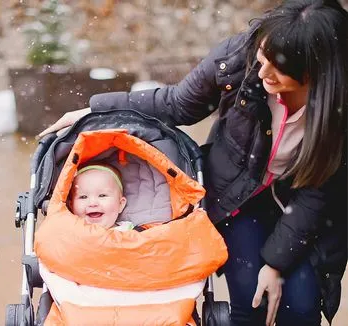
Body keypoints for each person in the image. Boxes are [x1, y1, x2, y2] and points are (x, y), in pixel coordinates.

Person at [39, 1, 347, 325]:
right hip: (236, 195)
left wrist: (275, 263)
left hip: (303, 204)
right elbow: (175, 104)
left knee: (300, 305)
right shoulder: (237, 60)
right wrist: (95, 111)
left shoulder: (337, 111)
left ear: (319, 75)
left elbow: (318, 191)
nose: (263, 72)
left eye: (279, 68)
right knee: (251, 299)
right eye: (263, 56)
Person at [68, 164, 131, 230]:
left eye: (102, 195)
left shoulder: (131, 233)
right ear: (71, 205)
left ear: (120, 204)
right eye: (83, 197)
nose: (92, 203)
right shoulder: (68, 233)